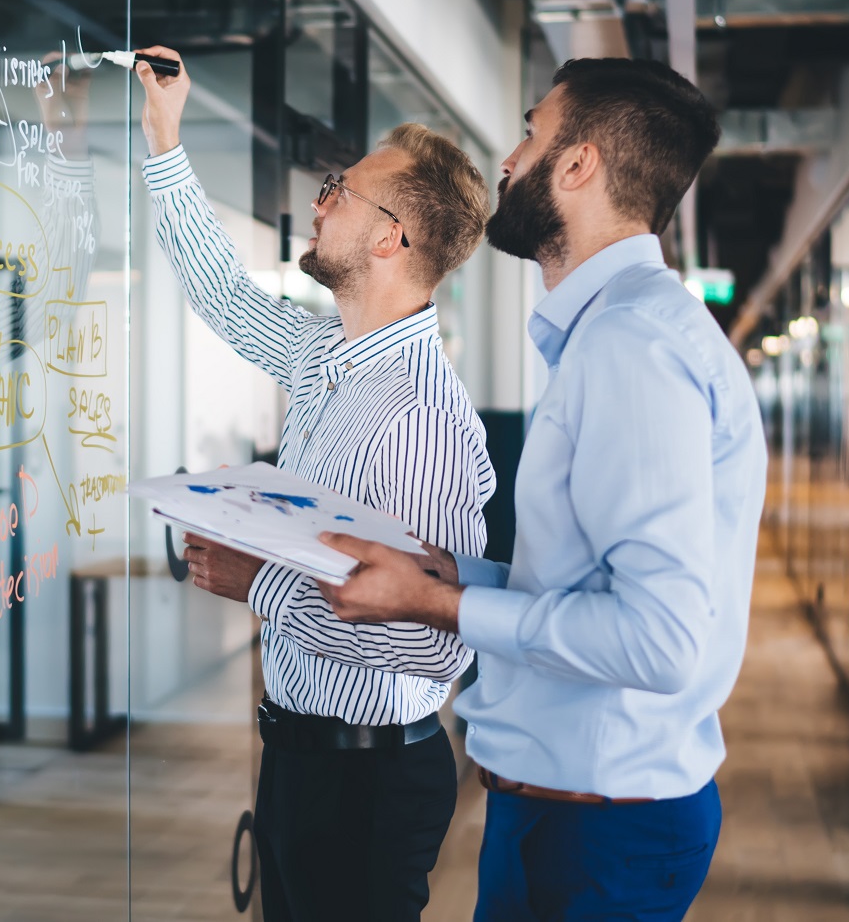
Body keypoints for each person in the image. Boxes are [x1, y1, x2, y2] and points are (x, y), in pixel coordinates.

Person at [319, 57, 767, 921]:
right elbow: (584, 592)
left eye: (531, 130)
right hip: (576, 819)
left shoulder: (630, 345)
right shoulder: (622, 330)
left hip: (594, 838)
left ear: (577, 165)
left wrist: (445, 608)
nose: (510, 156)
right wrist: (442, 576)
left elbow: (657, 637)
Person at [130, 46, 496, 922]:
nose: (319, 198)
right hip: (301, 759)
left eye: (341, 188)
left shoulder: (420, 415)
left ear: (388, 238)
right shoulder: (325, 351)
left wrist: (266, 587)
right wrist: (162, 133)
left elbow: (437, 645)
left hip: (368, 780)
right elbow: (221, 293)